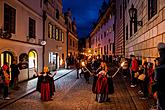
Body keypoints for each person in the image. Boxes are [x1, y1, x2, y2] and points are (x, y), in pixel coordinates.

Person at [155, 42, 165, 110]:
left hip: (162, 89)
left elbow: (159, 79)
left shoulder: (161, 61)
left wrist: (156, 90)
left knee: (162, 105)